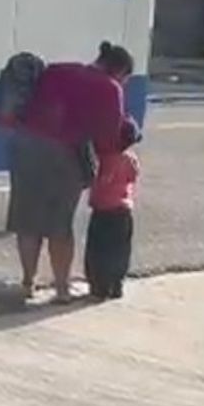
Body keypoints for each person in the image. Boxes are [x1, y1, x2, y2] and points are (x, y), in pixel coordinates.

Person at [6, 41, 135, 303]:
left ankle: (28, 283)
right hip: (63, 154)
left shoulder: (59, 70)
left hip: (25, 146)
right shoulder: (109, 88)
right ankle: (62, 290)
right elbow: (109, 139)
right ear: (120, 71)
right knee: (59, 224)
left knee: (28, 221)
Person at [85, 118, 142, 301]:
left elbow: (95, 179)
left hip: (103, 209)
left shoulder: (103, 160)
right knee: (120, 250)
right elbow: (133, 176)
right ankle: (116, 283)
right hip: (123, 209)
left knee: (98, 249)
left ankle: (99, 286)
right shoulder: (130, 159)